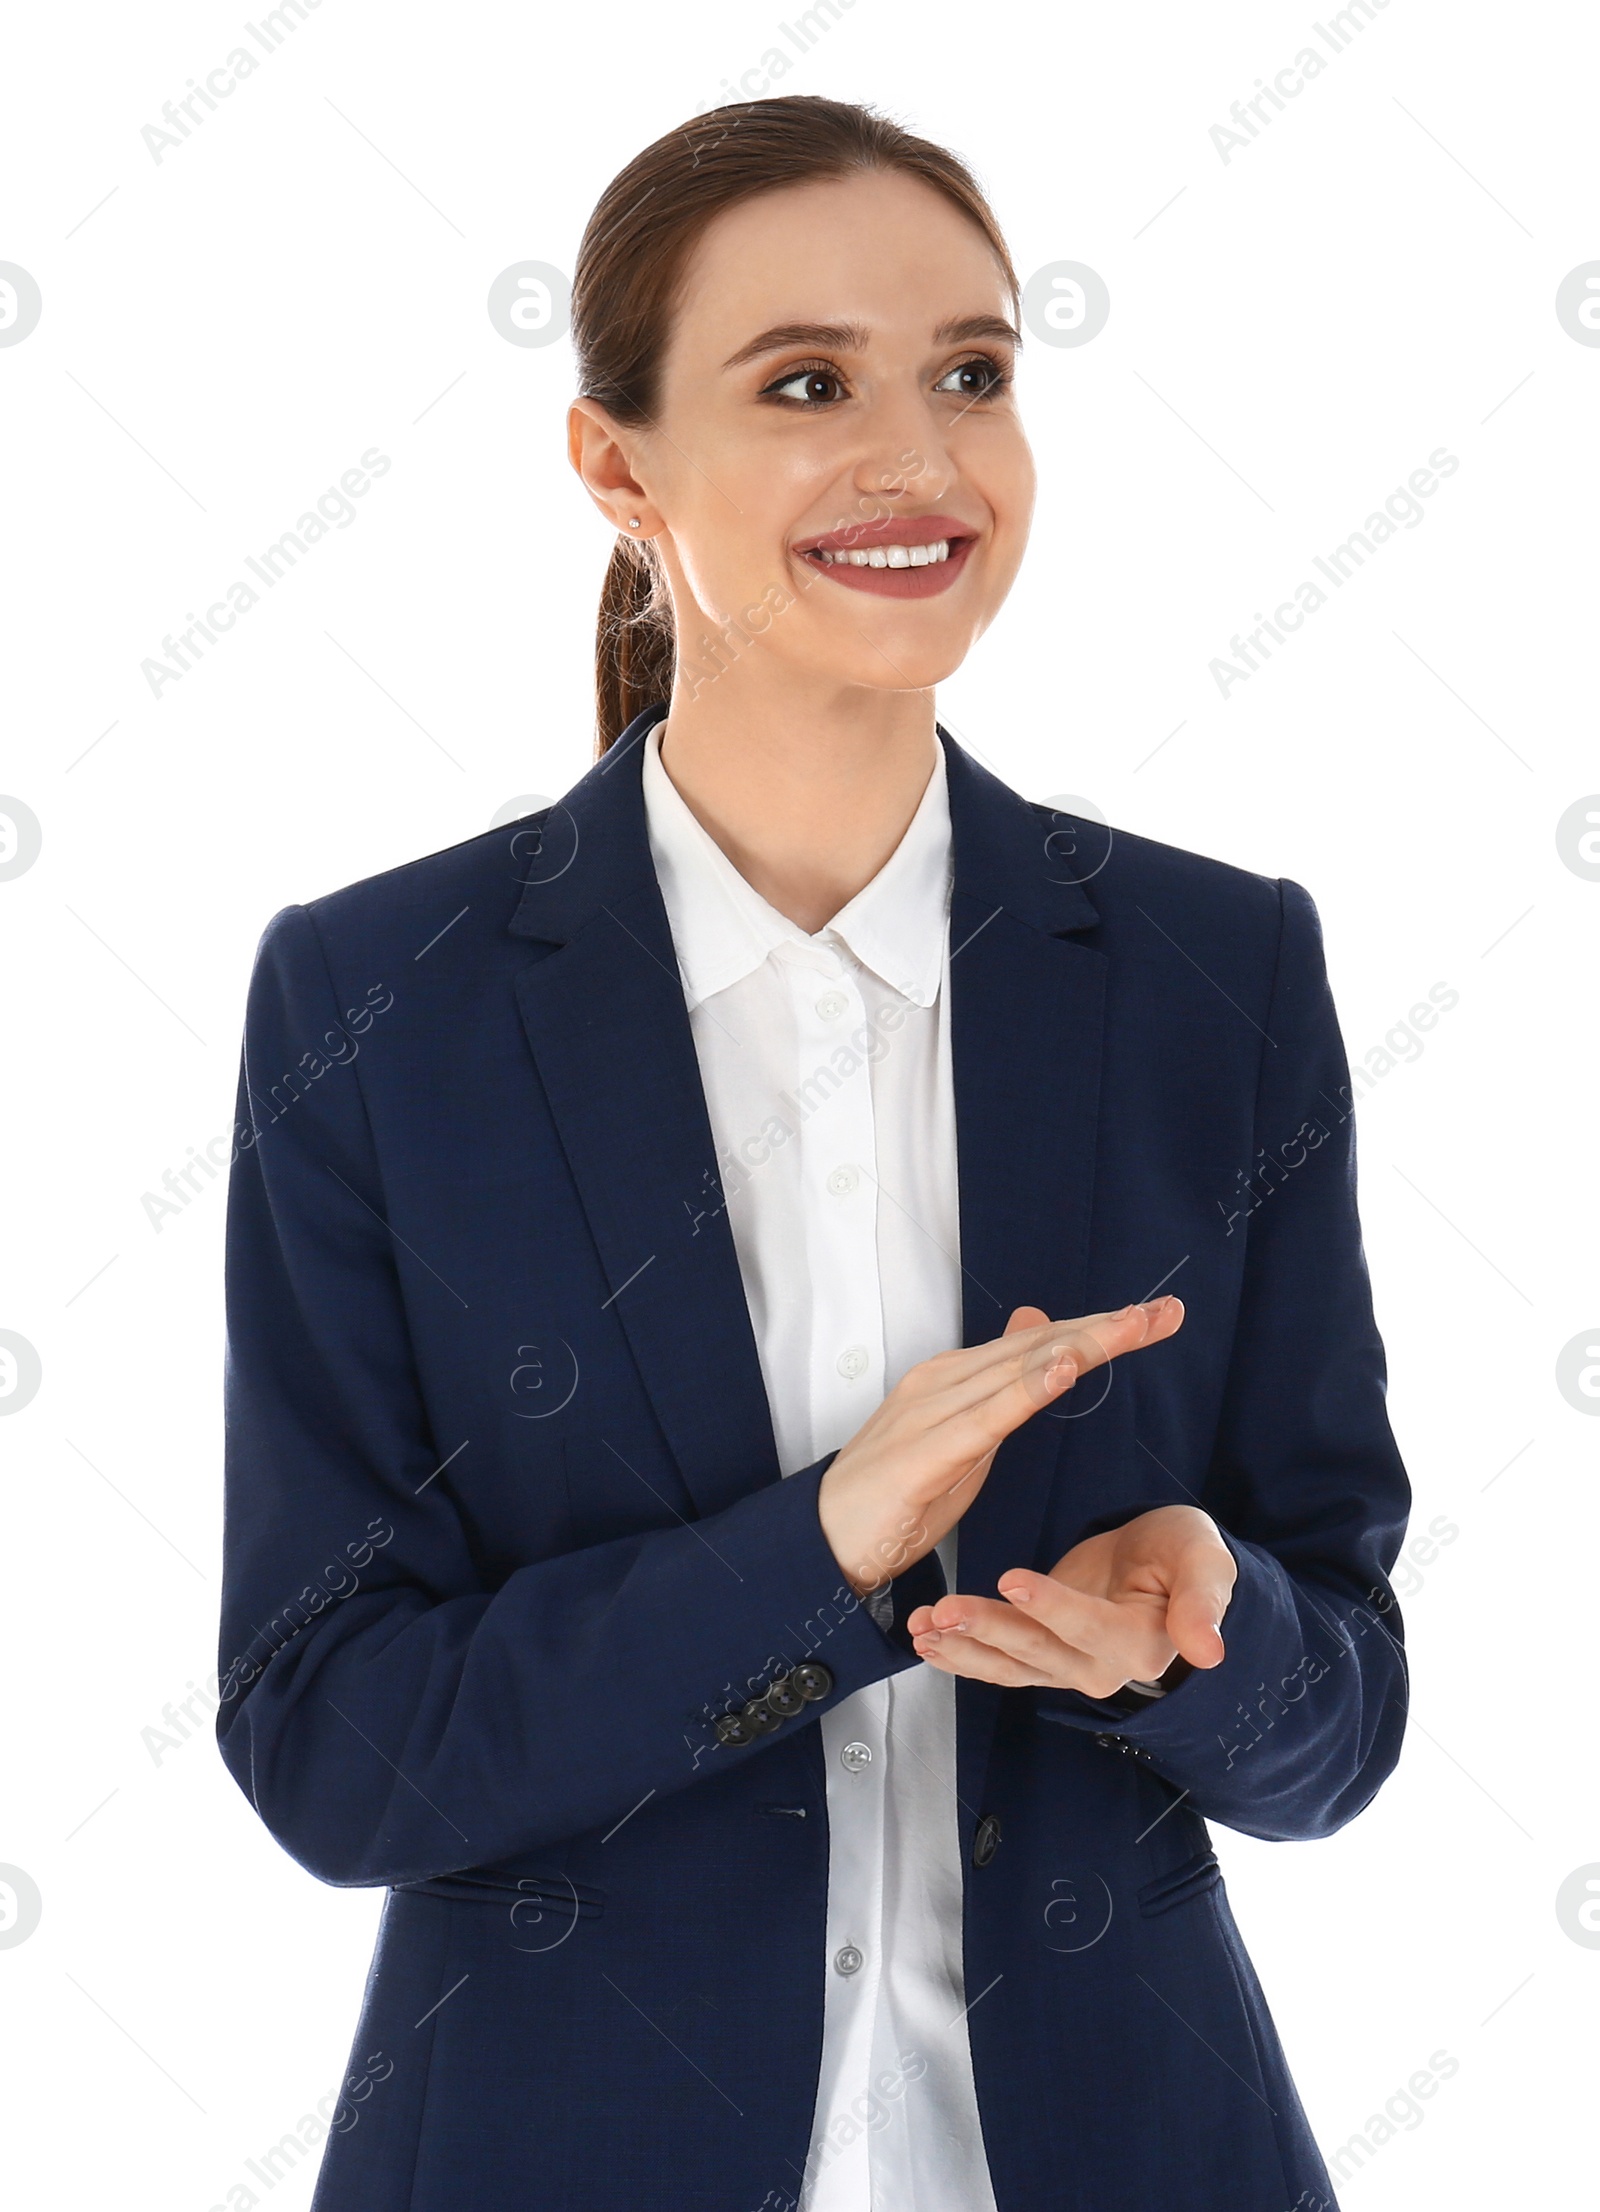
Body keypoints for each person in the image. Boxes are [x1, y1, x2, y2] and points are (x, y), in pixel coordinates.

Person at [217, 94, 1410, 2212]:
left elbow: (1343, 1702)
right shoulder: (382, 1002)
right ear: (616, 468)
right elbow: (332, 1736)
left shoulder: (1219, 967)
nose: (918, 456)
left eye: (968, 372)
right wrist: (821, 1546)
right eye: (804, 384)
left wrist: (1213, 1626)